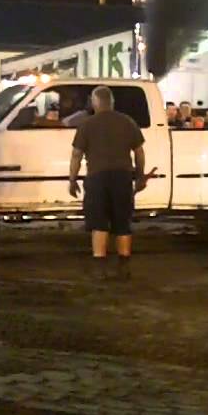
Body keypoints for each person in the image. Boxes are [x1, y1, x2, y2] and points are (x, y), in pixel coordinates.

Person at [68, 86, 148, 281]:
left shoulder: (87, 125)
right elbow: (139, 152)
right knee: (123, 223)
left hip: (97, 178)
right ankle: (124, 267)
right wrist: (139, 176)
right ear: (112, 102)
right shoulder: (127, 122)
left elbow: (76, 155)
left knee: (99, 223)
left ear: (95, 103)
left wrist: (72, 180)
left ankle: (99, 270)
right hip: (122, 177)